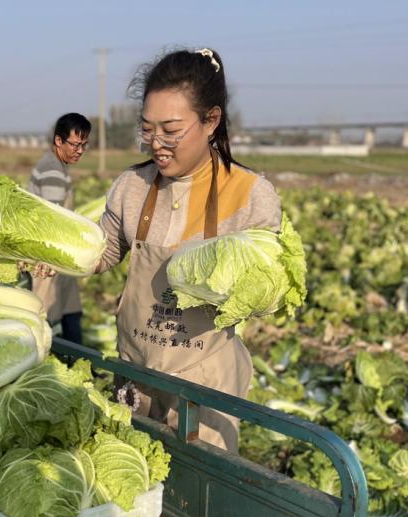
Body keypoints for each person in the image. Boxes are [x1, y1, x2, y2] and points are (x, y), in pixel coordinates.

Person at [94, 48, 282, 453]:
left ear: (210, 121)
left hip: (205, 388)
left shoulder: (249, 195)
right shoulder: (132, 186)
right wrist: (49, 256)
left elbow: (271, 293)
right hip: (137, 375)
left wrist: (242, 287)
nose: (157, 144)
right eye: (147, 129)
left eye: (171, 130)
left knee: (195, 501)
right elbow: (104, 250)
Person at [26, 113, 92, 344]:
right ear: (58, 141)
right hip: (48, 255)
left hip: (61, 255)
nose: (80, 150)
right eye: (74, 144)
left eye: (84, 144)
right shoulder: (53, 170)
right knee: (44, 315)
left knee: (70, 310)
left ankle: (79, 361)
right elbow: (52, 221)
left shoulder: (56, 165)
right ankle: (48, 365)